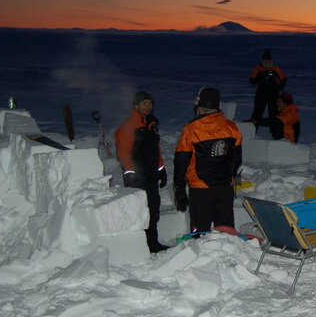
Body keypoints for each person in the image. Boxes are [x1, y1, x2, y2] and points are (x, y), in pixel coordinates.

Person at [173, 87, 243, 233]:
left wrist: (179, 188)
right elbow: (237, 159)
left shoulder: (191, 129)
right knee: (225, 232)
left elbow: (181, 161)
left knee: (200, 233)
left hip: (200, 189)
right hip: (225, 188)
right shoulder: (231, 127)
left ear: (199, 108)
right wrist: (229, 176)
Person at [114, 91, 169, 253]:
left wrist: (161, 170)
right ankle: (140, 246)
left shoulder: (151, 124)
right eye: (145, 103)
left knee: (153, 210)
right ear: (136, 105)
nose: (149, 106)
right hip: (137, 178)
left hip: (151, 176)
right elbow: (123, 153)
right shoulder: (128, 126)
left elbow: (156, 151)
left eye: (150, 103)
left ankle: (152, 244)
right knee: (140, 211)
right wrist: (131, 174)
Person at [248, 49, 287, 123]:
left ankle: (275, 131)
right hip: (261, 93)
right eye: (264, 60)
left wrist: (279, 88)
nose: (266, 62)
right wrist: (258, 79)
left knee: (274, 112)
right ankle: (252, 129)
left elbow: (283, 78)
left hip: (273, 93)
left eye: (267, 61)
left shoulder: (275, 68)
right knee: (257, 111)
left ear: (270, 60)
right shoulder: (258, 68)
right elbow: (251, 79)